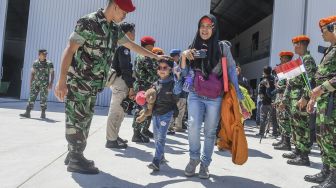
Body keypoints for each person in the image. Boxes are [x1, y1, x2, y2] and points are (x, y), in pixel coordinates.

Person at [54, 0, 167, 174]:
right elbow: (70, 50)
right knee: (76, 119)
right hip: (79, 82)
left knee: (84, 120)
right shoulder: (88, 22)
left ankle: (74, 153)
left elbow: (132, 46)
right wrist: (61, 80)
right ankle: (76, 159)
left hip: (93, 86)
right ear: (115, 5)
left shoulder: (114, 29)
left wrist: (155, 57)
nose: (125, 15)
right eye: (124, 11)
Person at [180, 14, 240, 179]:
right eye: (202, 26)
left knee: (210, 131)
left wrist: (239, 96)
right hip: (195, 93)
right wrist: (184, 56)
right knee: (192, 125)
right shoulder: (192, 47)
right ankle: (194, 159)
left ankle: (205, 164)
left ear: (214, 28)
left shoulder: (222, 48)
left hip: (215, 96)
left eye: (209, 26)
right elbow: (185, 74)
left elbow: (232, 70)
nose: (204, 29)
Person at [305, 15, 336, 187]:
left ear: (333, 28)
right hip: (324, 101)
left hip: (333, 102)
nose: (322, 34)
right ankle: (326, 171)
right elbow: (321, 75)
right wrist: (312, 98)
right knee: (322, 137)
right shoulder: (330, 50)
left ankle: (334, 177)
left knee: (332, 139)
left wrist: (322, 88)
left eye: (323, 30)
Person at [282, 35, 317, 167]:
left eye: (295, 44)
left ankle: (304, 156)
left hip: (301, 98)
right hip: (295, 99)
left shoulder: (307, 60)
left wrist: (305, 97)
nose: (294, 47)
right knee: (296, 126)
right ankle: (297, 151)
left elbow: (311, 80)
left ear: (301, 45)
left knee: (302, 127)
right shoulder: (300, 60)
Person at [147, 59, 182, 171]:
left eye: (165, 68)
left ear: (170, 70)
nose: (162, 70)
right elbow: (150, 99)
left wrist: (177, 76)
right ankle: (161, 156)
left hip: (166, 114)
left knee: (161, 137)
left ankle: (156, 160)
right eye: (159, 68)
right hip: (156, 113)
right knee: (156, 137)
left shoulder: (173, 83)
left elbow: (177, 92)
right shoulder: (155, 84)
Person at [105, 22, 136, 149]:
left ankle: (114, 136)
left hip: (121, 82)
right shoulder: (123, 47)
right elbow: (125, 69)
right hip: (121, 82)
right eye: (133, 31)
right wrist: (131, 87)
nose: (134, 34)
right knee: (115, 111)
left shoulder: (122, 47)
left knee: (120, 112)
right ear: (126, 33)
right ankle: (111, 140)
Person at [132, 36, 159, 143]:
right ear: (147, 46)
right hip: (143, 87)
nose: (152, 48)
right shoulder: (145, 57)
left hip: (145, 86)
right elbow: (150, 75)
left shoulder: (143, 55)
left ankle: (145, 130)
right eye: (151, 46)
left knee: (149, 109)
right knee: (141, 109)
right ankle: (136, 134)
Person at [20, 49, 54, 119]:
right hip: (35, 84)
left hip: (44, 84)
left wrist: (51, 83)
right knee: (31, 97)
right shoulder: (35, 63)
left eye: (46, 54)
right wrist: (30, 83)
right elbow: (32, 73)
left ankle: (43, 113)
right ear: (39, 55)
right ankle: (27, 113)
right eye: (43, 54)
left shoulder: (49, 63)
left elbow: (52, 73)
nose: (45, 55)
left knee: (43, 98)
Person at [272, 51, 294, 151]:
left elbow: (290, 85)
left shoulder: (291, 69)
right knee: (280, 119)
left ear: (286, 59)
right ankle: (283, 140)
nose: (280, 60)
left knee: (285, 119)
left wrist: (281, 88)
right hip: (279, 96)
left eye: (282, 58)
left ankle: (287, 143)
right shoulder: (283, 70)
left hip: (285, 98)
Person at [168, 49, 188, 134]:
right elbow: (179, 76)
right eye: (178, 55)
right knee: (174, 108)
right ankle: (170, 126)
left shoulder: (173, 64)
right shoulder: (174, 65)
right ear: (176, 56)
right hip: (175, 90)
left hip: (179, 89)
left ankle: (177, 126)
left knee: (180, 107)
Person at [256, 66, 276, 137]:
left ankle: (261, 133)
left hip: (265, 102)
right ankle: (275, 133)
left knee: (263, 118)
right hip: (273, 102)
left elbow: (260, 93)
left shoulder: (263, 81)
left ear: (264, 72)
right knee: (274, 119)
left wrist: (262, 99)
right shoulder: (274, 79)